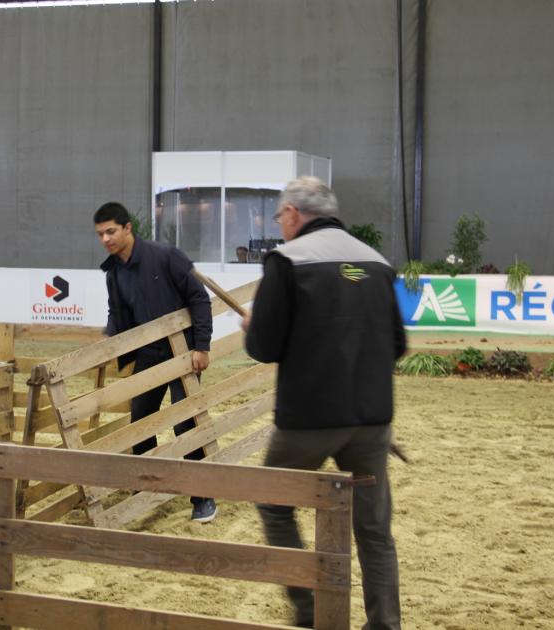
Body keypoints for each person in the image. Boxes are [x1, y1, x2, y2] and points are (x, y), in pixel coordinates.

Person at [240, 176, 405, 629]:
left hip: (308, 419)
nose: (280, 225)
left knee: (274, 501)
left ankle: (312, 611)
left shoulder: (287, 261)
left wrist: (253, 326)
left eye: (280, 217)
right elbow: (397, 344)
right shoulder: (376, 263)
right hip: (371, 418)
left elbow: (265, 347)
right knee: (373, 529)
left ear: (292, 214)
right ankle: (385, 624)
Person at [93, 201, 218, 523]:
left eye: (111, 231)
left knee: (184, 422)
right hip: (147, 354)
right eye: (100, 234)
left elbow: (199, 298)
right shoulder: (113, 272)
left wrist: (201, 347)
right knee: (141, 421)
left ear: (127, 228)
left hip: (182, 352)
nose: (106, 239)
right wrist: (108, 339)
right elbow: (117, 313)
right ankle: (144, 488)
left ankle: (202, 496)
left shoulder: (166, 256)